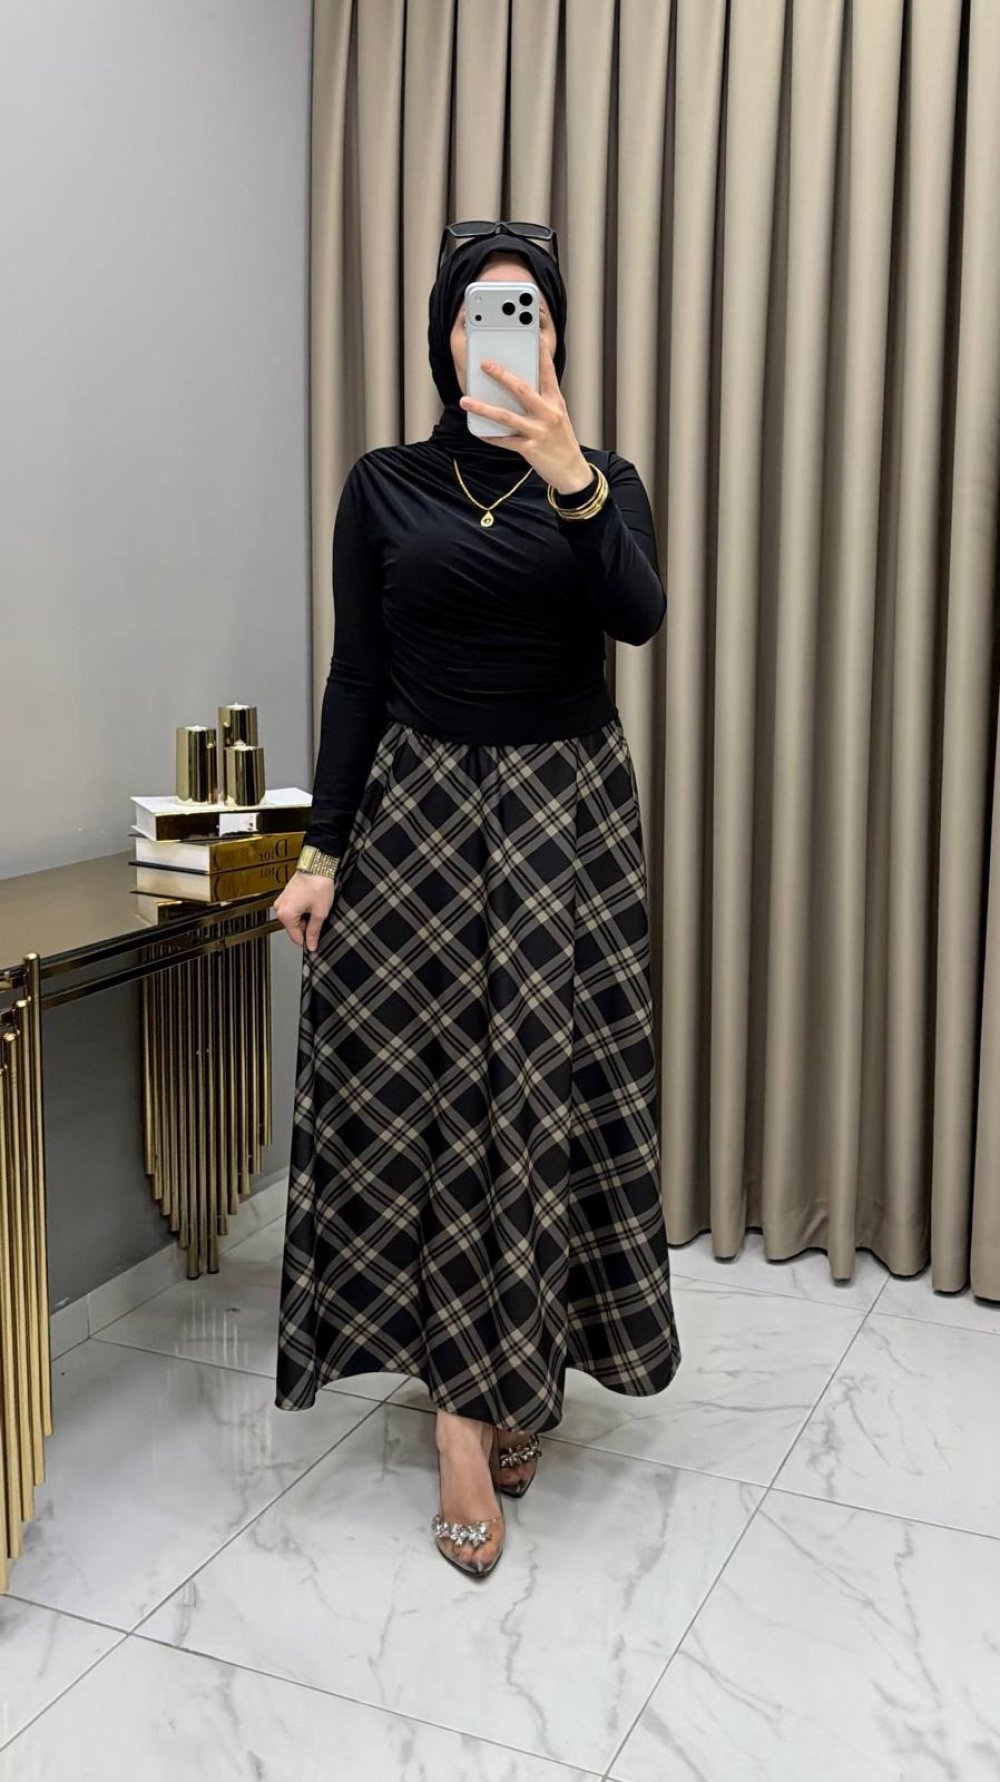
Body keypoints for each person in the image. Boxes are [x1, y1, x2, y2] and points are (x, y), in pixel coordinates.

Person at [272, 221, 682, 1579]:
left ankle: (519, 1369)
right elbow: (358, 674)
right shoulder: (384, 485)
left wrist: (570, 475)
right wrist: (321, 853)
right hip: (421, 823)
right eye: (479, 312)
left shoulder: (604, 480)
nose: (504, 332)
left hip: (568, 821)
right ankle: (461, 1422)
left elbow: (639, 616)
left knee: (540, 1100)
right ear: (445, 337)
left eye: (529, 312)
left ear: (555, 338)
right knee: (436, 1106)